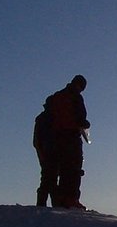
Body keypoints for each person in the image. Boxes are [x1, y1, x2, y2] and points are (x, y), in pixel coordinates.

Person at [44, 74, 90, 209]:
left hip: (54, 139)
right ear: (80, 86)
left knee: (60, 169)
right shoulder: (75, 97)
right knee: (73, 169)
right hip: (71, 137)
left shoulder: (56, 97)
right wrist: (85, 124)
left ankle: (60, 199)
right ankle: (71, 199)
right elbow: (81, 119)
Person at [32, 101, 56, 207]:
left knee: (49, 177)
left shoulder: (42, 118)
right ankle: (44, 204)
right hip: (48, 151)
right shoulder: (47, 119)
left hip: (47, 151)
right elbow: (37, 140)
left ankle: (45, 203)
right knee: (49, 178)